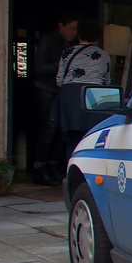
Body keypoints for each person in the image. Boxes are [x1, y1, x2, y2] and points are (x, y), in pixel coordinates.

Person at [53, 17, 112, 159]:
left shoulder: (67, 53)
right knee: (94, 136)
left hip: (71, 96)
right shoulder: (104, 56)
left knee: (72, 138)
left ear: (79, 34)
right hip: (95, 96)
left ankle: (72, 169)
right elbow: (107, 81)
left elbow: (59, 80)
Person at [32, 13, 79, 185]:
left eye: (76, 29)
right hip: (47, 89)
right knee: (49, 128)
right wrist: (61, 64)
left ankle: (53, 166)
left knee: (61, 129)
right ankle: (40, 167)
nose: (74, 32)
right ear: (61, 25)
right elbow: (39, 67)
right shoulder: (48, 40)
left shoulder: (73, 43)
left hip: (63, 90)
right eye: (71, 28)